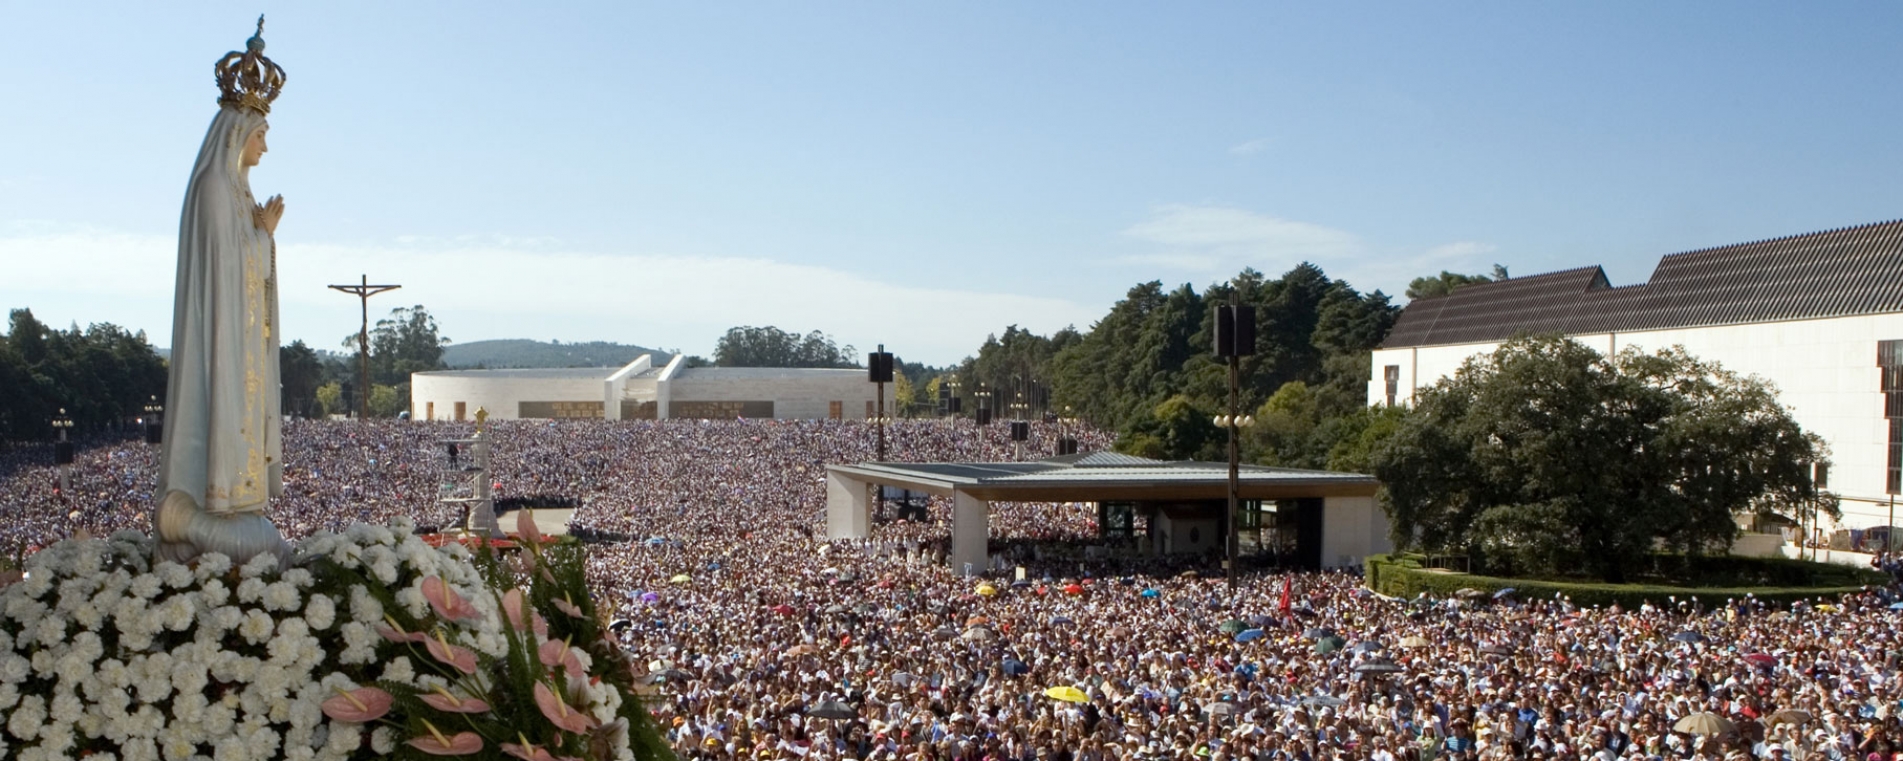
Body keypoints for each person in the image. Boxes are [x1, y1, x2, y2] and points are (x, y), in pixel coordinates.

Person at [154, 18, 292, 566]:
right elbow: (226, 269)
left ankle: (232, 506)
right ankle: (206, 506)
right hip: (222, 336)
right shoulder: (216, 188)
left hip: (242, 339)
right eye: (260, 135)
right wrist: (263, 235)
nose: (264, 147)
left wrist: (260, 236)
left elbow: (245, 268)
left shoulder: (238, 192)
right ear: (237, 133)